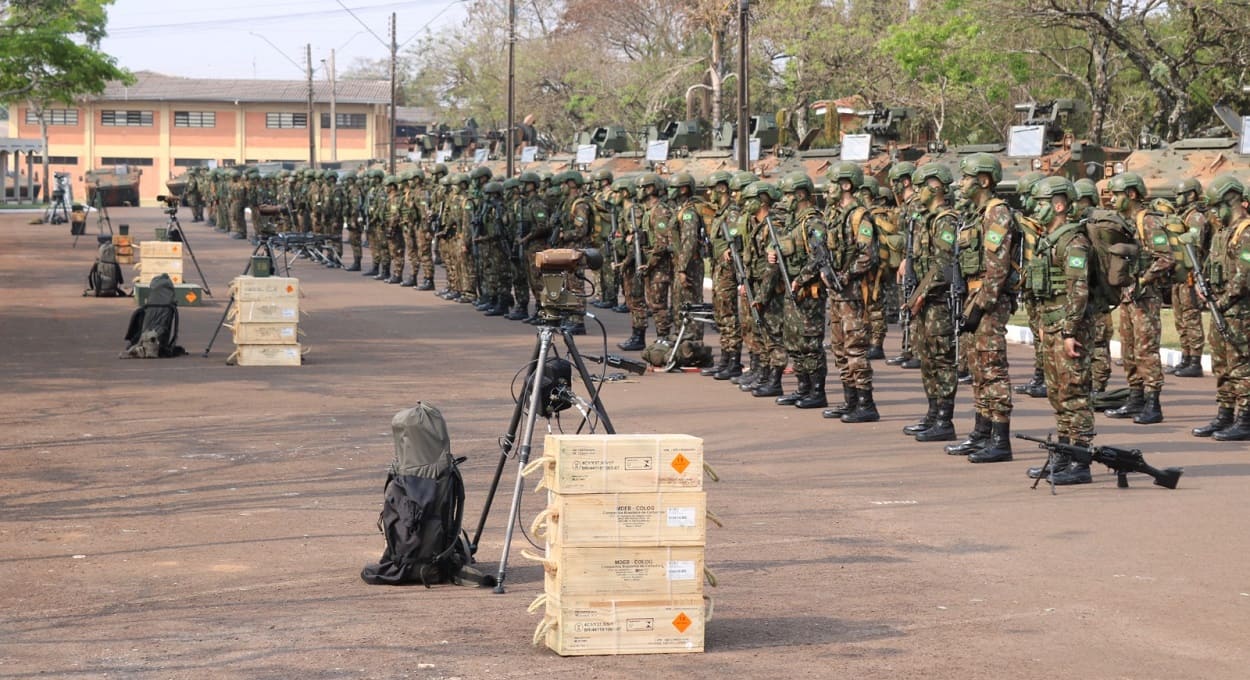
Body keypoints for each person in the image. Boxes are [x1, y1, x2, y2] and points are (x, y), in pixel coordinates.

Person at [1022, 177, 1095, 484]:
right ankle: (1063, 455)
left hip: (1069, 330)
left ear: (1059, 205)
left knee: (1075, 395)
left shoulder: (1074, 241)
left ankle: (1080, 462)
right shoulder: (1048, 239)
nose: (1035, 209)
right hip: (1052, 326)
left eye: (1041, 203)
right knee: (1059, 395)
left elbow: (1078, 290)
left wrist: (1069, 333)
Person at [945, 153, 1015, 463]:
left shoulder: (996, 214)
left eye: (966, 178)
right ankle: (981, 431)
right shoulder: (974, 215)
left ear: (984, 181)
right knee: (977, 369)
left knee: (992, 369)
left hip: (988, 302)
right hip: (973, 300)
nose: (960, 183)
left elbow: (997, 269)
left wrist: (980, 305)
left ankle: (1000, 439)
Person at [1103, 171, 1174, 424]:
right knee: (1129, 349)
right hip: (1128, 296)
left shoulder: (1148, 221)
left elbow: (1166, 258)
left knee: (1146, 350)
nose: (1112, 199)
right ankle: (1135, 399)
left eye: (1117, 194)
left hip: (1145, 296)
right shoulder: (1128, 222)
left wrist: (1143, 280)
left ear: (1131, 194)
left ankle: (1153, 404)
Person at [902, 163, 959, 442]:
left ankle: (944, 420)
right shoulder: (924, 219)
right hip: (924, 302)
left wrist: (920, 295)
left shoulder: (945, 220)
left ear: (934, 187)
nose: (916, 192)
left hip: (938, 302)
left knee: (941, 360)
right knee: (926, 360)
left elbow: (944, 266)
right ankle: (932, 412)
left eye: (920, 186)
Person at [820, 162, 879, 423]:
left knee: (855, 348)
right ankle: (849, 400)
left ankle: (866, 404)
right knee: (839, 348)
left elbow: (868, 256)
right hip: (837, 294)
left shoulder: (860, 217)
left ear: (846, 185)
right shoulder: (834, 215)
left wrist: (844, 275)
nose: (828, 188)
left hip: (853, 294)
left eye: (833, 183)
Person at [1194, 174, 1250, 440]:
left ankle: (1246, 418)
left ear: (1233, 201)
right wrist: (1200, 285)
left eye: (1218, 207)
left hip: (1240, 313)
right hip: (1221, 309)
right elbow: (1208, 266)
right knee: (1221, 365)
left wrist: (1223, 302)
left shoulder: (1246, 232)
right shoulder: (1222, 233)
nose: (1215, 213)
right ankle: (1225, 414)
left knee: (1241, 366)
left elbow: (1243, 276)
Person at [773, 171, 829, 409]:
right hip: (792, 288)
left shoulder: (813, 222)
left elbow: (819, 256)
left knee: (810, 342)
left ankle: (817, 391)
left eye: (788, 194)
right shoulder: (793, 222)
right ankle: (803, 387)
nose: (785, 199)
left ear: (800, 194)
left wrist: (801, 279)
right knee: (794, 341)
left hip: (808, 292)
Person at [737, 181, 787, 396]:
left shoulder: (771, 226)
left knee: (773, 335)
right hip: (757, 285)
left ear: (762, 200)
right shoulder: (758, 225)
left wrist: (762, 295)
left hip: (770, 290)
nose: (746, 204)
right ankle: (764, 374)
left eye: (750, 200)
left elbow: (772, 266)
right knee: (762, 333)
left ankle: (774, 381)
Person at [702, 171, 743, 378]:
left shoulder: (732, 212)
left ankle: (733, 361)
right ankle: (725, 359)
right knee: (720, 313)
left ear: (722, 188)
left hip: (727, 269)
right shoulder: (720, 213)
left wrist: (728, 249)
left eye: (712, 188)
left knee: (728, 314)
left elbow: (735, 240)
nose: (709, 193)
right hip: (718, 268)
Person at [1170, 177, 1210, 378]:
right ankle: (1185, 357)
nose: (1178, 198)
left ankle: (1195, 361)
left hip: (1191, 275)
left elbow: (1194, 247)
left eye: (1181, 194)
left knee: (1191, 317)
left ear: (1191, 194)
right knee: (1180, 318)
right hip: (1180, 275)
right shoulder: (1183, 216)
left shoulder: (1196, 218)